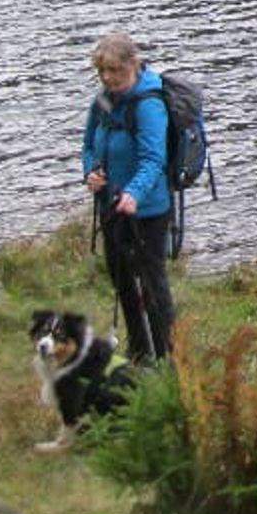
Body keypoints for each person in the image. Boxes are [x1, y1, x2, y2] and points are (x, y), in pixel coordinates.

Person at [82, 33, 174, 362]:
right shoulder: (102, 102)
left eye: (114, 70)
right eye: (102, 71)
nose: (108, 78)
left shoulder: (149, 105)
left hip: (148, 210)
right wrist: (91, 173)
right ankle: (139, 352)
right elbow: (89, 145)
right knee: (121, 279)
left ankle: (169, 358)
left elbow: (153, 159)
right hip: (112, 206)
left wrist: (134, 192)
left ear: (132, 65)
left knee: (152, 285)